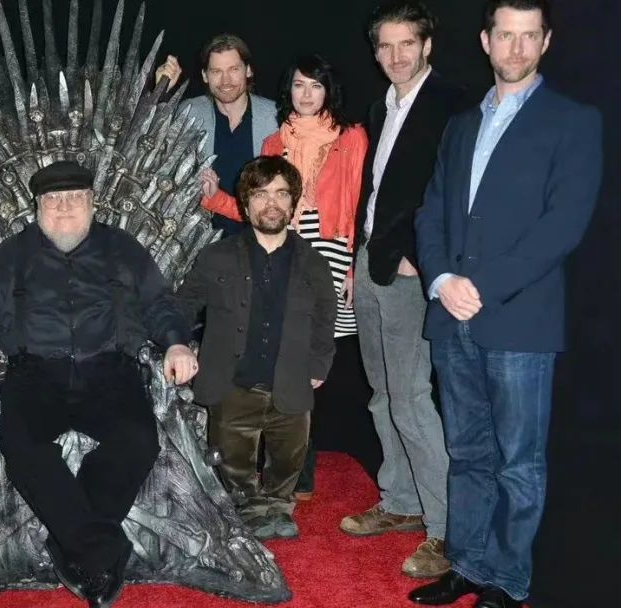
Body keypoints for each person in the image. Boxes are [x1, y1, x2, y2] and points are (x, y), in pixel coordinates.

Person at [409, 1, 602, 606]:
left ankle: (505, 580)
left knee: (519, 463)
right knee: (467, 453)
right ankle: (467, 564)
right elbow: (431, 212)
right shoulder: (461, 124)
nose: (516, 49)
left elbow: (562, 226)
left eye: (529, 36)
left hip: (520, 319)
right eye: (506, 36)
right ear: (485, 41)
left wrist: (482, 287)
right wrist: (441, 279)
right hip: (451, 314)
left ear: (545, 42)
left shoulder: (574, 121)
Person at [0, 161, 198, 607]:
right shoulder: (13, 254)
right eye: (53, 200)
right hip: (35, 372)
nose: (64, 207)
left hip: (108, 370)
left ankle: (73, 545)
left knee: (138, 440)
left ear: (92, 203)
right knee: (22, 445)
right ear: (38, 207)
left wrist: (177, 343)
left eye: (75, 198)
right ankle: (101, 551)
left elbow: (159, 303)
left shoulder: (121, 249)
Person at [203, 53, 368, 500]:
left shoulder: (351, 136)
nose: (307, 94)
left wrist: (355, 265)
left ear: (328, 90)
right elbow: (263, 207)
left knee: (318, 359)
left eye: (316, 85)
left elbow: (358, 204)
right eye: (299, 85)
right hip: (286, 253)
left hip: (332, 251)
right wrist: (213, 198)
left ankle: (300, 465)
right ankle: (287, 466)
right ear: (288, 91)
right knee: (283, 351)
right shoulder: (275, 141)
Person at [339, 0, 466, 580]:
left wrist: (427, 255)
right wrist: (358, 258)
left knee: (411, 397)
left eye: (407, 43)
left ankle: (446, 529)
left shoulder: (452, 104)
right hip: (371, 261)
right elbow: (377, 189)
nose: (396, 55)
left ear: (427, 45)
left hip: (412, 269)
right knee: (381, 393)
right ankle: (401, 501)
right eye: (386, 46)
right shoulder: (381, 106)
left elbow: (459, 190)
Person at [176, 155, 336, 541]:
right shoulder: (216, 256)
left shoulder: (313, 262)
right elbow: (184, 304)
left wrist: (319, 364)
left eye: (281, 194)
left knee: (288, 457)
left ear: (293, 204)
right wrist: (178, 344)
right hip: (233, 383)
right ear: (245, 205)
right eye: (261, 194)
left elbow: (325, 316)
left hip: (291, 379)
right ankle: (246, 508)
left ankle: (279, 506)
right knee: (233, 460)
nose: (271, 203)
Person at [155, 34, 278, 238]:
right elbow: (151, 150)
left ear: (248, 71)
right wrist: (161, 92)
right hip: (197, 243)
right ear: (205, 75)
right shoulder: (189, 113)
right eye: (216, 71)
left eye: (234, 69)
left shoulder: (275, 118)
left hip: (260, 241)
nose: (225, 81)